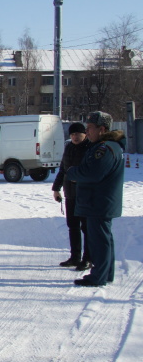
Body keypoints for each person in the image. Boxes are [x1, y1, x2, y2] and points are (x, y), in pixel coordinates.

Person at [66, 111, 125, 287]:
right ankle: (105, 274)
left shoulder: (105, 148)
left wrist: (72, 173)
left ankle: (98, 276)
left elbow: (92, 173)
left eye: (90, 128)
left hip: (98, 202)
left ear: (102, 129)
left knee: (99, 240)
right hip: (100, 201)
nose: (87, 131)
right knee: (104, 239)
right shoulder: (107, 146)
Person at [51, 122, 91, 269]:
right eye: (72, 134)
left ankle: (87, 258)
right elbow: (63, 169)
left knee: (86, 228)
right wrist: (56, 188)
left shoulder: (90, 148)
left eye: (77, 134)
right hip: (70, 194)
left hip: (85, 194)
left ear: (84, 134)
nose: (74, 137)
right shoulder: (69, 147)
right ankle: (75, 257)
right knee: (72, 226)